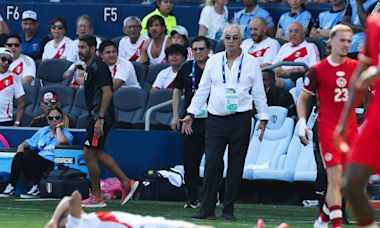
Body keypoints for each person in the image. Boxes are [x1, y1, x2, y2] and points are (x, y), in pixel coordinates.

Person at [181, 24, 269, 221]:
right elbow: (203, 89)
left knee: (236, 165)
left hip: (241, 118)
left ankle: (228, 208)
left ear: (241, 39)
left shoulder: (252, 62)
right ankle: (207, 209)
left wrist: (263, 117)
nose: (231, 41)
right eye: (227, 37)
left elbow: (258, 92)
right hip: (215, 118)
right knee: (212, 163)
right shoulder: (213, 61)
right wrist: (191, 113)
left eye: (235, 38)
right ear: (223, 40)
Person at [335, 0, 380, 226]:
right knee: (351, 185)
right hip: (378, 117)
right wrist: (344, 120)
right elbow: (361, 74)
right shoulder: (375, 23)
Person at [297, 24, 358, 228]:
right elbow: (303, 98)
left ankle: (323, 219)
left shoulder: (357, 68)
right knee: (334, 177)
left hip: (351, 129)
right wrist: (302, 123)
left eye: (349, 41)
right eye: (342, 40)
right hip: (328, 128)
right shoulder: (317, 70)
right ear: (331, 41)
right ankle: (336, 224)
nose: (346, 45)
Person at [78, 34, 137, 207]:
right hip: (95, 115)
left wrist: (100, 118)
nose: (80, 50)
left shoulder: (99, 66)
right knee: (95, 153)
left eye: (82, 47)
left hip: (99, 116)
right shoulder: (90, 67)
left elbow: (108, 91)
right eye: (79, 47)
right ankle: (126, 182)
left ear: (92, 49)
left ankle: (98, 197)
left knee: (89, 153)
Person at [171, 36, 211, 209]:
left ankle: (213, 195)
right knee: (190, 160)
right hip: (190, 120)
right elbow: (177, 91)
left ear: (209, 50)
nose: (198, 52)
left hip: (212, 119)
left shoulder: (216, 66)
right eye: (194, 49)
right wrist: (175, 115)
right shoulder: (187, 67)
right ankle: (192, 197)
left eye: (201, 49)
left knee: (213, 160)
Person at [0, 107, 73, 199]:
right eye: (51, 118)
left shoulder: (66, 134)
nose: (54, 120)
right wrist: (21, 146)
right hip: (38, 161)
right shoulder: (43, 131)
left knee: (29, 155)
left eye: (57, 118)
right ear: (47, 120)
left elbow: (61, 142)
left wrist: (58, 128)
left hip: (53, 162)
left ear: (61, 119)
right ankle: (12, 186)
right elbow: (30, 142)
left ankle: (38, 186)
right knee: (20, 155)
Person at [45, 191, 207, 228]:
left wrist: (53, 219)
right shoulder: (75, 224)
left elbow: (69, 199)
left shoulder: (80, 221)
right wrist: (55, 220)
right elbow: (73, 197)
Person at [272, 22, 320, 91]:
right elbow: (274, 65)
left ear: (303, 34)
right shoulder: (284, 46)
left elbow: (315, 68)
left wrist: (292, 71)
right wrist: (278, 70)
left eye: (296, 31)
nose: (293, 34)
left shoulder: (310, 46)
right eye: (290, 31)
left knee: (271, 83)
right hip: (279, 76)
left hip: (296, 79)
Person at [0, 47, 25, 127]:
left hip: (5, 120)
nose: (6, 63)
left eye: (9, 61)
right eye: (3, 59)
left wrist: (17, 123)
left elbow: (21, 103)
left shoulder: (14, 77)